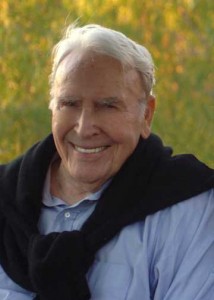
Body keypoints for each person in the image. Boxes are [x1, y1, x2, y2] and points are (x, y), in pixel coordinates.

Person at [0, 24, 213, 300]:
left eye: (108, 106)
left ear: (146, 116)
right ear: (53, 107)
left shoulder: (191, 210)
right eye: (70, 103)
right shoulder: (5, 201)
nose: (85, 127)